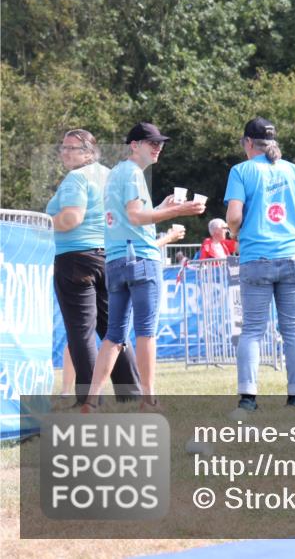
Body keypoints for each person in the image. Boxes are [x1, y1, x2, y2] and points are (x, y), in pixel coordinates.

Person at [81, 123, 205, 412]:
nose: (158, 147)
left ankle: (91, 401)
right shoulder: (134, 174)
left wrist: (161, 206)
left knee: (114, 335)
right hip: (141, 260)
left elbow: (129, 218)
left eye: (160, 143)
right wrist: (178, 210)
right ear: (134, 145)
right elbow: (136, 217)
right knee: (146, 332)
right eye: (151, 142)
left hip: (116, 260)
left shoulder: (116, 173)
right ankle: (148, 400)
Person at [226, 117, 295, 412]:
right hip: (293, 256)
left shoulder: (241, 171)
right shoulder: (294, 170)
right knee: (293, 329)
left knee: (253, 329)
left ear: (248, 143)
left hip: (256, 257)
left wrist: (236, 233)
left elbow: (234, 217)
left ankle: (248, 397)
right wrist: (292, 231)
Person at [46, 129, 140, 407]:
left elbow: (71, 218)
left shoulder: (76, 178)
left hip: (75, 259)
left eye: (72, 148)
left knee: (81, 331)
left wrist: (41, 223)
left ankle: (89, 399)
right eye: (63, 147)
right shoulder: (110, 175)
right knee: (114, 329)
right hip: (108, 257)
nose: (65, 153)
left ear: (88, 152)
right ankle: (131, 394)